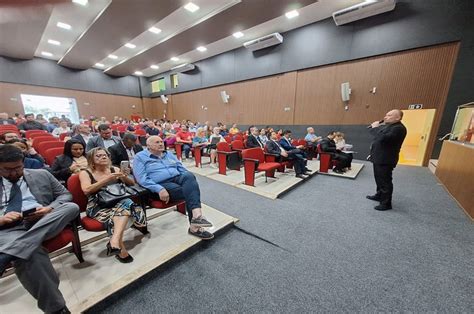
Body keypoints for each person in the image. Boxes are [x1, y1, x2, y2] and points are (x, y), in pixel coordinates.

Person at [0, 144, 79, 313]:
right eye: (7, 170)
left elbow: (65, 195)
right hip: (8, 229)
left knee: (71, 207)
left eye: (18, 168)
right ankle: (57, 309)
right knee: (30, 253)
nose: (14, 173)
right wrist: (2, 219)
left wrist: (48, 209)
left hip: (42, 220)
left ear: (23, 162)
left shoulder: (41, 174)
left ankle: (8, 254)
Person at [134, 136, 214, 240]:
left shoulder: (169, 154)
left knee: (189, 176)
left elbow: (182, 169)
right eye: (157, 142)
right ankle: (195, 227)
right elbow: (142, 179)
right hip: (160, 184)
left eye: (161, 142)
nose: (161, 144)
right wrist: (159, 189)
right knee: (190, 191)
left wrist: (189, 181)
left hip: (176, 178)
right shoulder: (140, 157)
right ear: (148, 145)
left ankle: (197, 217)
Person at [79, 148, 148, 263]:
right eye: (99, 156)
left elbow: (132, 184)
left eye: (105, 155)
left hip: (118, 201)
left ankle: (114, 242)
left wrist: (123, 176)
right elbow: (86, 190)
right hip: (98, 206)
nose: (103, 157)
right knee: (126, 205)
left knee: (126, 203)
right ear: (91, 159)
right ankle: (119, 246)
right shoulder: (85, 173)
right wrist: (107, 179)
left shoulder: (114, 169)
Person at [367, 109, 407, 211]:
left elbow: (383, 139)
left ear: (398, 118)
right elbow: (378, 137)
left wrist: (376, 127)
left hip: (386, 159)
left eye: (389, 115)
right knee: (378, 178)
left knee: (385, 181)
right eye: (386, 115)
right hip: (379, 157)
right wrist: (376, 127)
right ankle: (379, 195)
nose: (385, 117)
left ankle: (386, 203)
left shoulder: (399, 128)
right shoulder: (388, 126)